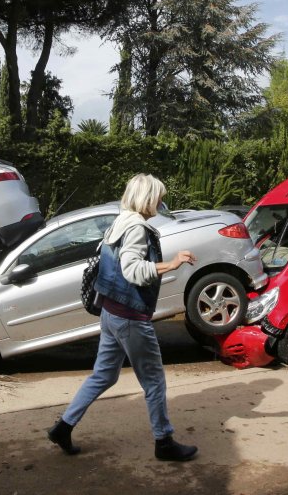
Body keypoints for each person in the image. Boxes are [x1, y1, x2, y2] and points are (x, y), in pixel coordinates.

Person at [47, 173, 199, 462]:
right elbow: (133, 270)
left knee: (103, 375)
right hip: (130, 318)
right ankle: (164, 441)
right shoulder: (137, 229)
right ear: (148, 198)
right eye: (159, 196)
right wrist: (172, 263)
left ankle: (63, 427)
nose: (161, 201)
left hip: (111, 312)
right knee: (154, 380)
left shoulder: (120, 221)